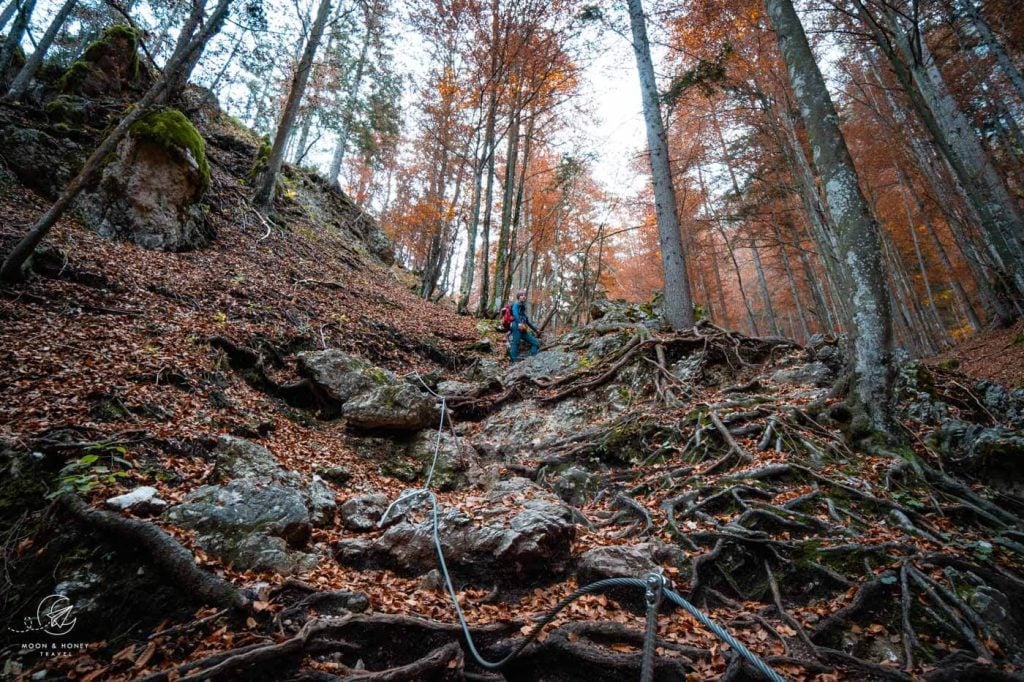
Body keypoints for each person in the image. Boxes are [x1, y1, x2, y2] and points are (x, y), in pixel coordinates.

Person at [509, 289, 541, 362]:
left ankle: (531, 359)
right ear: (518, 297)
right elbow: (515, 314)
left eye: (524, 295)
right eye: (522, 295)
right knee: (516, 343)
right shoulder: (516, 304)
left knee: (535, 343)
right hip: (516, 326)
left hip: (523, 329)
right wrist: (519, 323)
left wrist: (536, 330)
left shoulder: (522, 308)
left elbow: (527, 322)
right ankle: (514, 363)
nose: (524, 296)